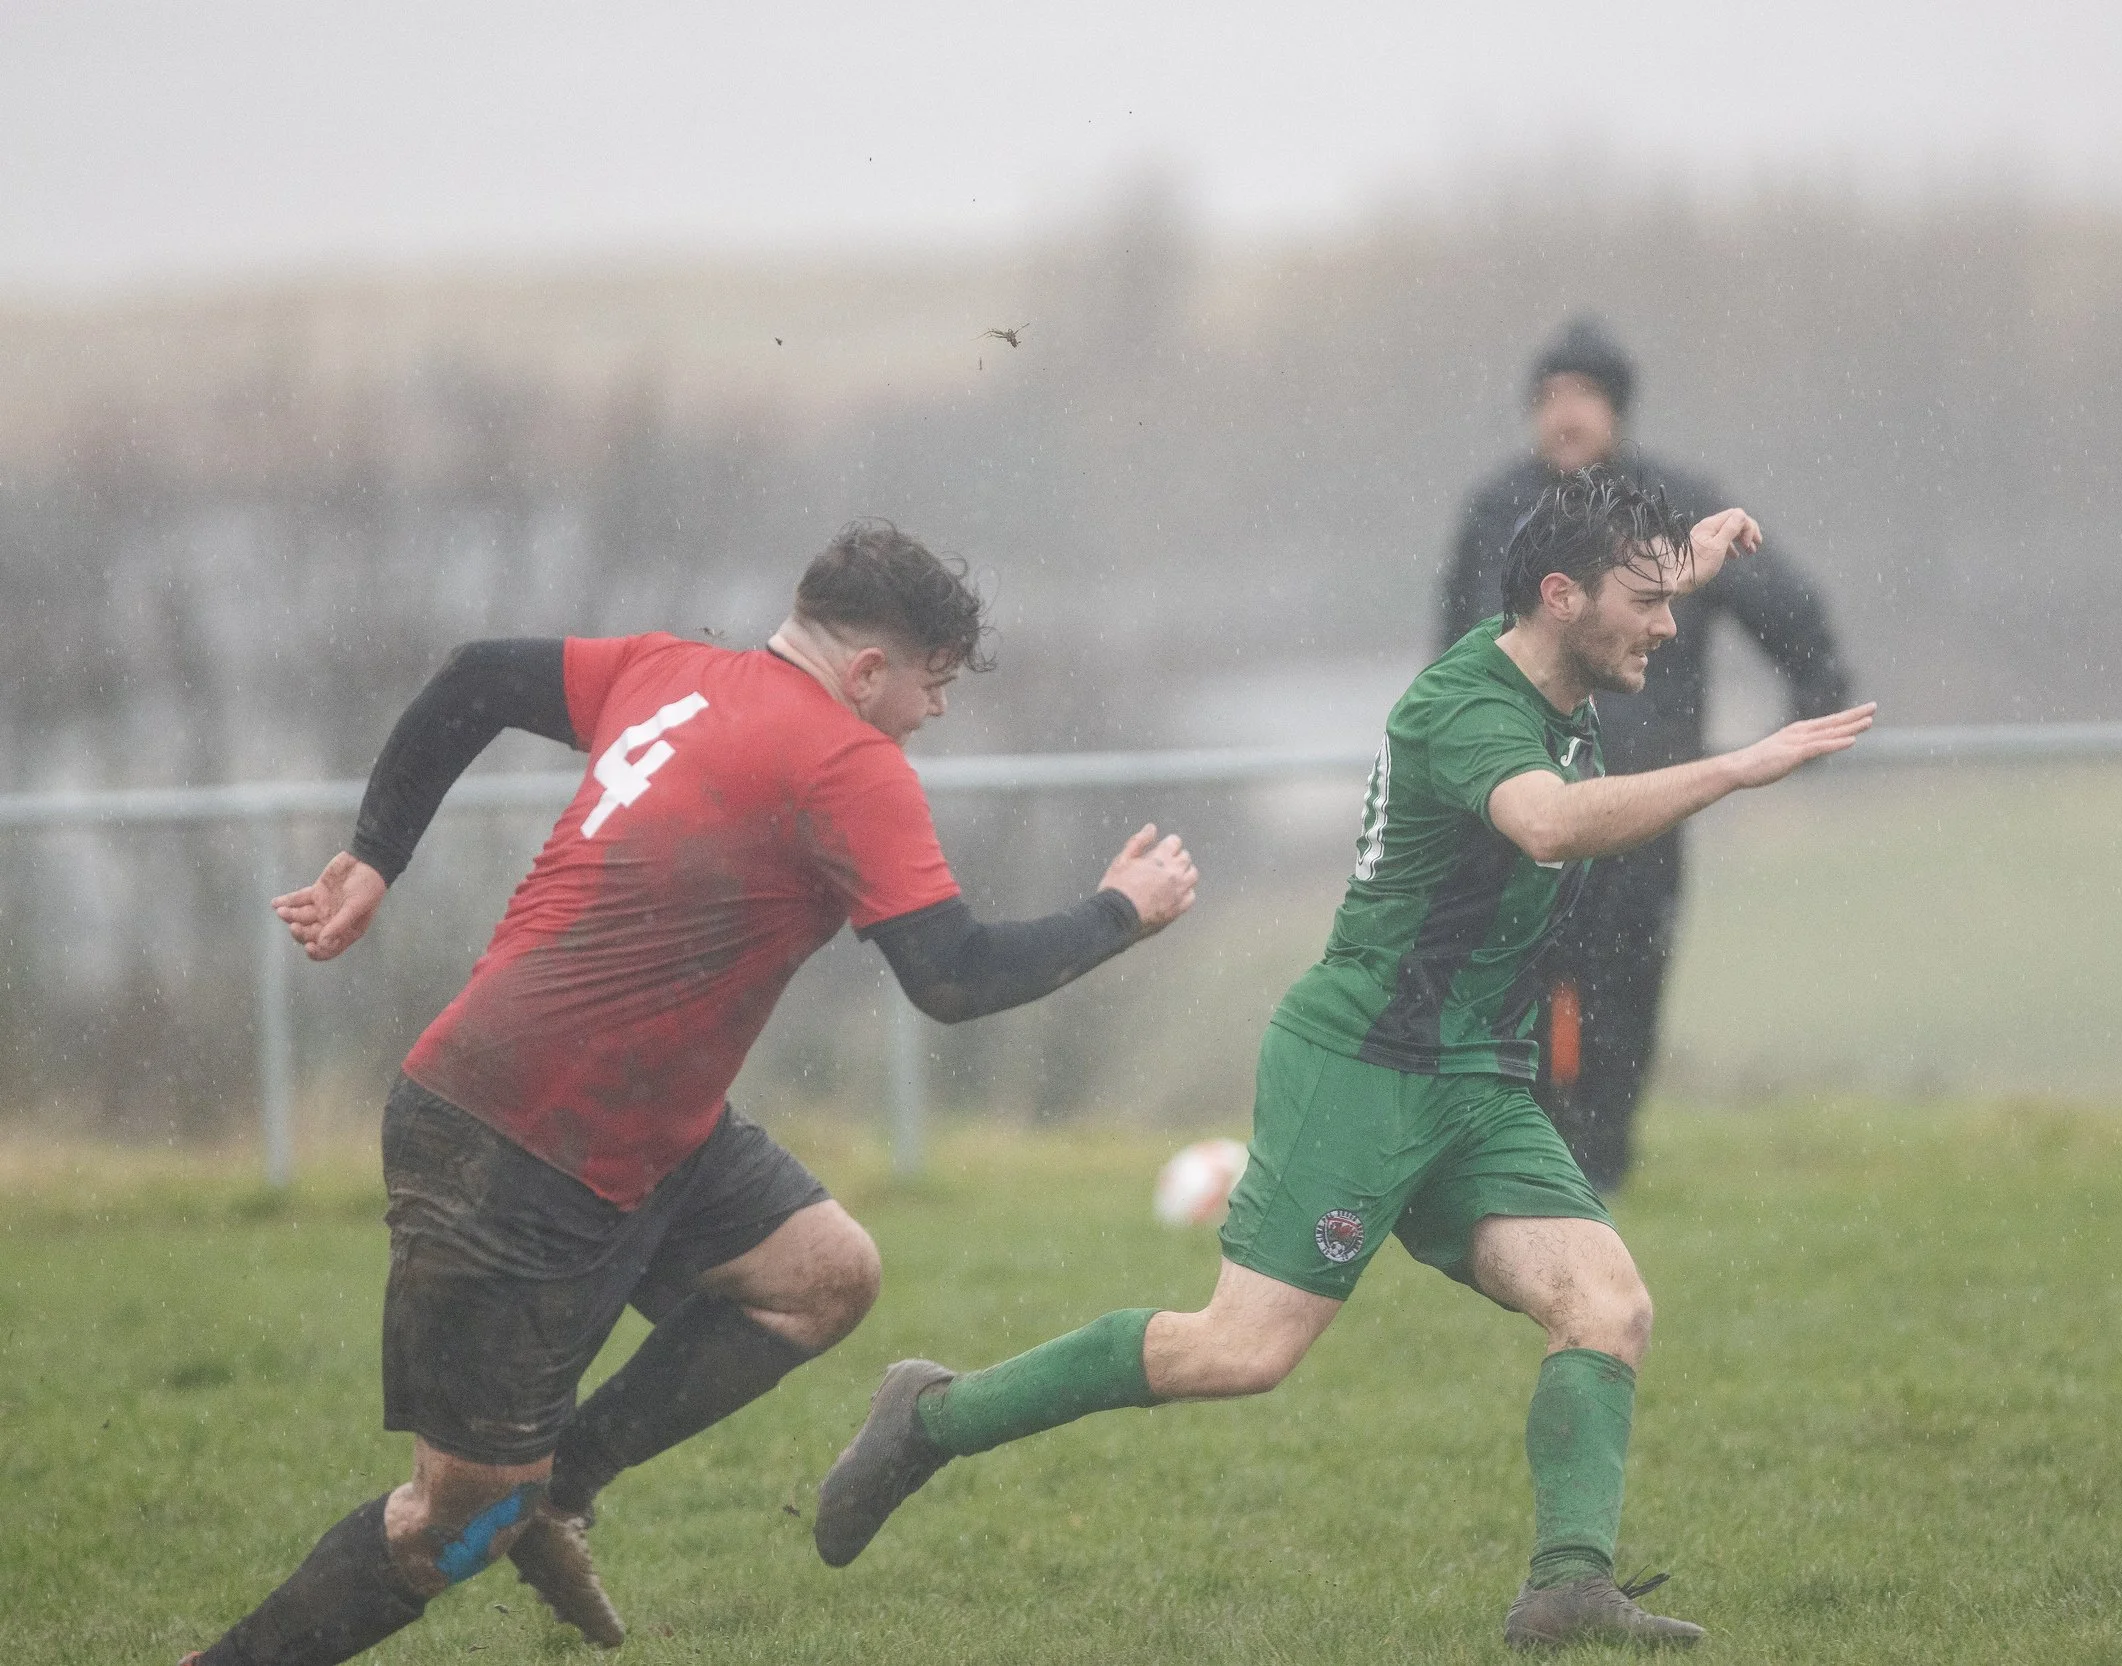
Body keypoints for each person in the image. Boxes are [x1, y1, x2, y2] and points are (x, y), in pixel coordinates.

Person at [815, 471, 1876, 1650]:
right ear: (1563, 596)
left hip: (1476, 1077)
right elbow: (1547, 822)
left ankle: (1568, 1588)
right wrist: (1737, 764)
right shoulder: (1460, 707)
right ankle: (933, 1415)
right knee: (1240, 1350)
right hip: (1361, 1065)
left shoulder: (1556, 643)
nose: (1668, 628)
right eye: (1648, 602)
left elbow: (1616, 592)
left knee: (1606, 1305)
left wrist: (1694, 554)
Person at [180, 521, 1199, 1666]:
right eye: (934, 682)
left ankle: (563, 1483)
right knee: (454, 1519)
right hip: (512, 1143)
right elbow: (951, 977)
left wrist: (375, 854)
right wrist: (1122, 912)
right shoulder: (848, 762)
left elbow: (475, 679)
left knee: (822, 1276)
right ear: (867, 670)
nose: (937, 711)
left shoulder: (668, 671)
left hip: (630, 1127)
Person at [1440, 317, 1853, 1190]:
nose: (1565, 417)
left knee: (1621, 997)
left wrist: (1817, 690)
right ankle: (1530, 1165)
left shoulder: (1672, 508)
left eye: (1584, 398)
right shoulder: (1496, 512)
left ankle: (1603, 1168)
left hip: (1639, 806)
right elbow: (1452, 652)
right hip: (1520, 806)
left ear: (1618, 411)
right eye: (1550, 399)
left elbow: (1780, 605)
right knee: (1513, 994)